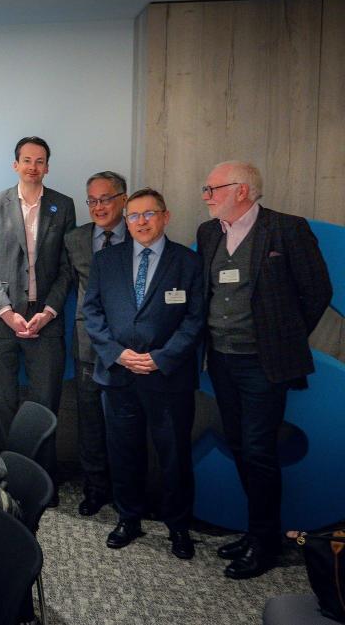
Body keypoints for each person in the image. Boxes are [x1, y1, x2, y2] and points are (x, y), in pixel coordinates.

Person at [197, 161, 332, 579]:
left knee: (259, 450)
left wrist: (282, 338)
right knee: (238, 444)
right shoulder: (208, 233)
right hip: (221, 359)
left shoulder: (286, 229)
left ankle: (266, 543)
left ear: (242, 190)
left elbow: (317, 291)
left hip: (262, 364)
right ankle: (257, 532)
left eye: (212, 189)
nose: (206, 196)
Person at [82, 188, 204, 560]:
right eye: (134, 215)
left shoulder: (188, 262)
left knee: (174, 455)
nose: (141, 221)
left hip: (168, 377)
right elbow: (92, 313)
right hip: (118, 376)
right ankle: (129, 518)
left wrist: (162, 358)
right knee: (123, 453)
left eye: (149, 214)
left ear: (165, 216)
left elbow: (195, 319)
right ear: (126, 220)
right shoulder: (106, 260)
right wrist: (117, 353)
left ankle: (178, 526)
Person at [0, 135, 75, 490]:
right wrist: (6, 312)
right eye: (27, 160)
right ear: (15, 164)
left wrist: (48, 312)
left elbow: (67, 267)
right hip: (2, 324)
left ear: (47, 167)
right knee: (3, 405)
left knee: (44, 406)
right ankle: (10, 479)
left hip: (45, 321)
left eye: (40, 161)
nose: (33, 167)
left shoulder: (63, 205)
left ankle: (41, 482)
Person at [63, 171, 128, 517]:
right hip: (88, 342)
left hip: (130, 345)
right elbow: (67, 284)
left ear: (123, 199)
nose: (98, 207)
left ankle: (126, 490)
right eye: (92, 200)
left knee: (126, 421)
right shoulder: (75, 239)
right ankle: (95, 488)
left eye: (105, 199)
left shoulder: (139, 232)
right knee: (89, 420)